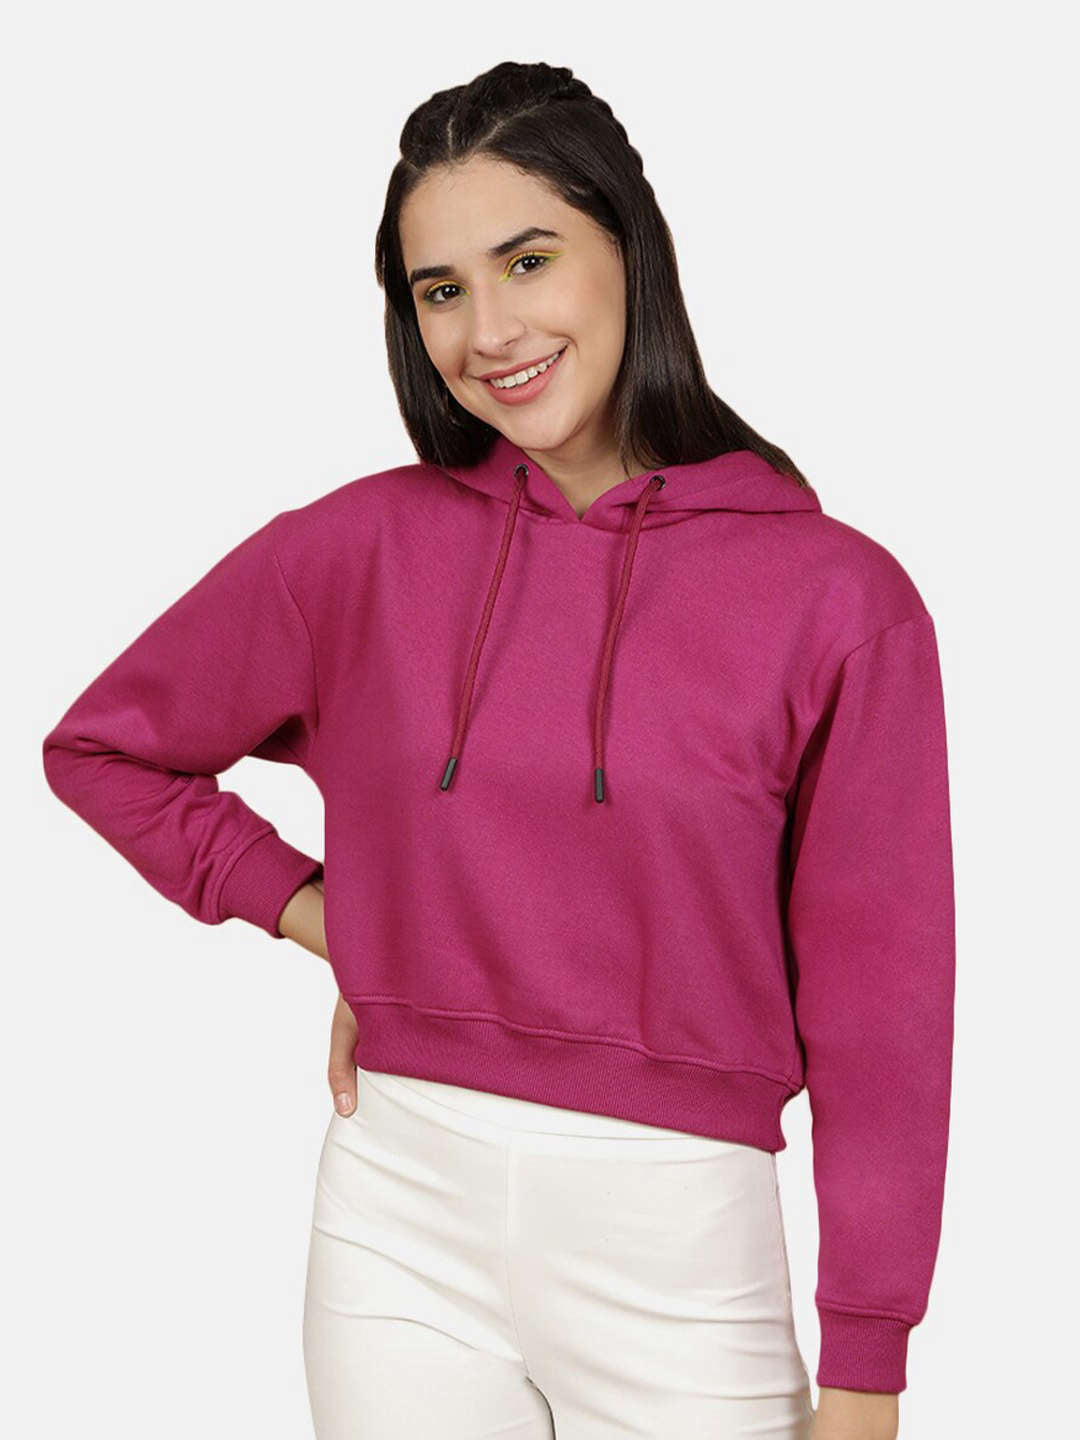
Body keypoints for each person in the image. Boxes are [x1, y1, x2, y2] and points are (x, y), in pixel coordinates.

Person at [41, 59, 954, 1440]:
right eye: (440, 289)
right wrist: (333, 918)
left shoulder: (836, 599)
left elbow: (885, 1004)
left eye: (529, 261)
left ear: (628, 248)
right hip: (398, 1216)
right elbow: (107, 749)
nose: (489, 331)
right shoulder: (359, 549)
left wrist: (868, 1367)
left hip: (679, 1250)